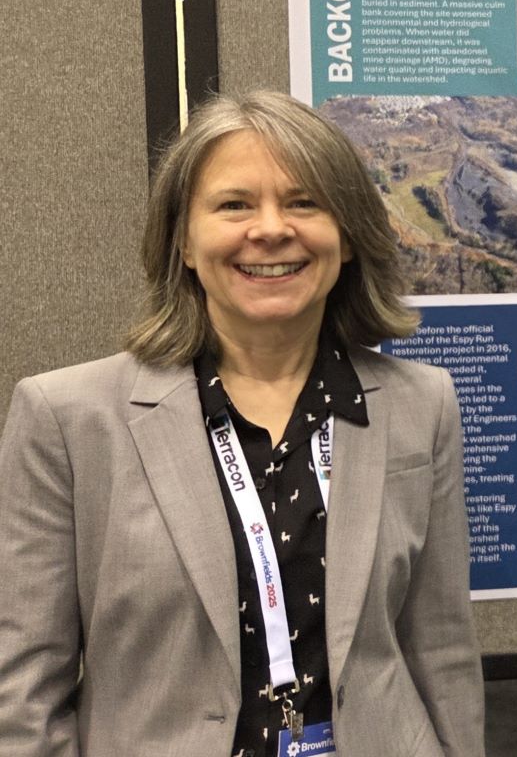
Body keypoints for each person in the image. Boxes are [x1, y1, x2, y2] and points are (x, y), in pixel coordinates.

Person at [0, 91, 484, 757]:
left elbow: (440, 645)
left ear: (346, 238)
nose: (271, 229)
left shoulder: (421, 403)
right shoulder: (68, 419)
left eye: (304, 202)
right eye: (234, 205)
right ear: (184, 243)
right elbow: (24, 687)